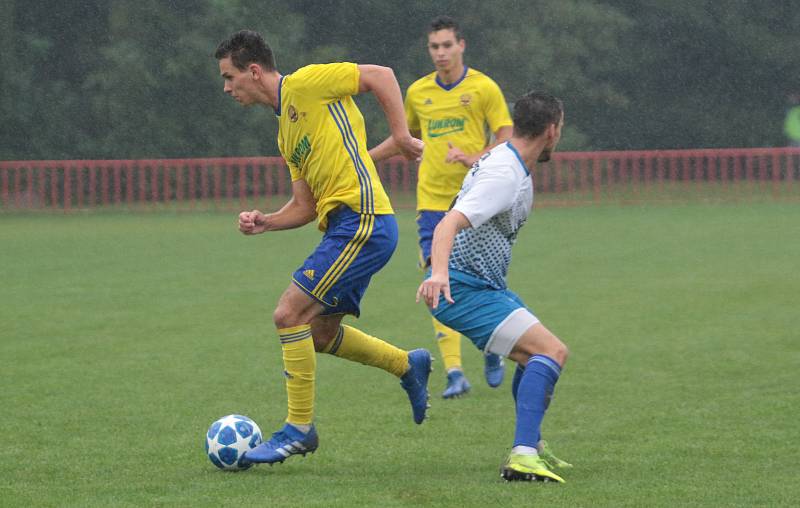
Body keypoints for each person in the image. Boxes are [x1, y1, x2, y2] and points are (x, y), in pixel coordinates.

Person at [214, 30, 431, 466]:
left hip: (362, 220)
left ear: (253, 71)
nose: (226, 87)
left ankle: (299, 429)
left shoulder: (308, 83)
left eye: (229, 76)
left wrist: (402, 135)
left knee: (287, 314)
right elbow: (304, 206)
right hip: (342, 227)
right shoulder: (285, 135)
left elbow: (381, 76)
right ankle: (407, 365)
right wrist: (266, 222)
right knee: (318, 333)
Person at [416, 91, 572, 482]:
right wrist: (439, 273)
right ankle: (523, 454)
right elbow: (447, 223)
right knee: (552, 351)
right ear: (552, 130)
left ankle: (531, 445)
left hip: (484, 287)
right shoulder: (506, 174)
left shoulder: (507, 160)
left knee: (532, 355)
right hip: (463, 290)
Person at [370, 15, 513, 399]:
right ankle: (454, 372)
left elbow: (507, 136)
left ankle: (494, 346)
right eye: (434, 47)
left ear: (461, 45)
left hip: (476, 200)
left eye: (447, 45)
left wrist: (474, 158)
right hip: (432, 202)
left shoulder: (483, 88)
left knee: (483, 281)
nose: (441, 53)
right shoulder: (417, 92)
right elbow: (406, 136)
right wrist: (366, 159)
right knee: (438, 281)